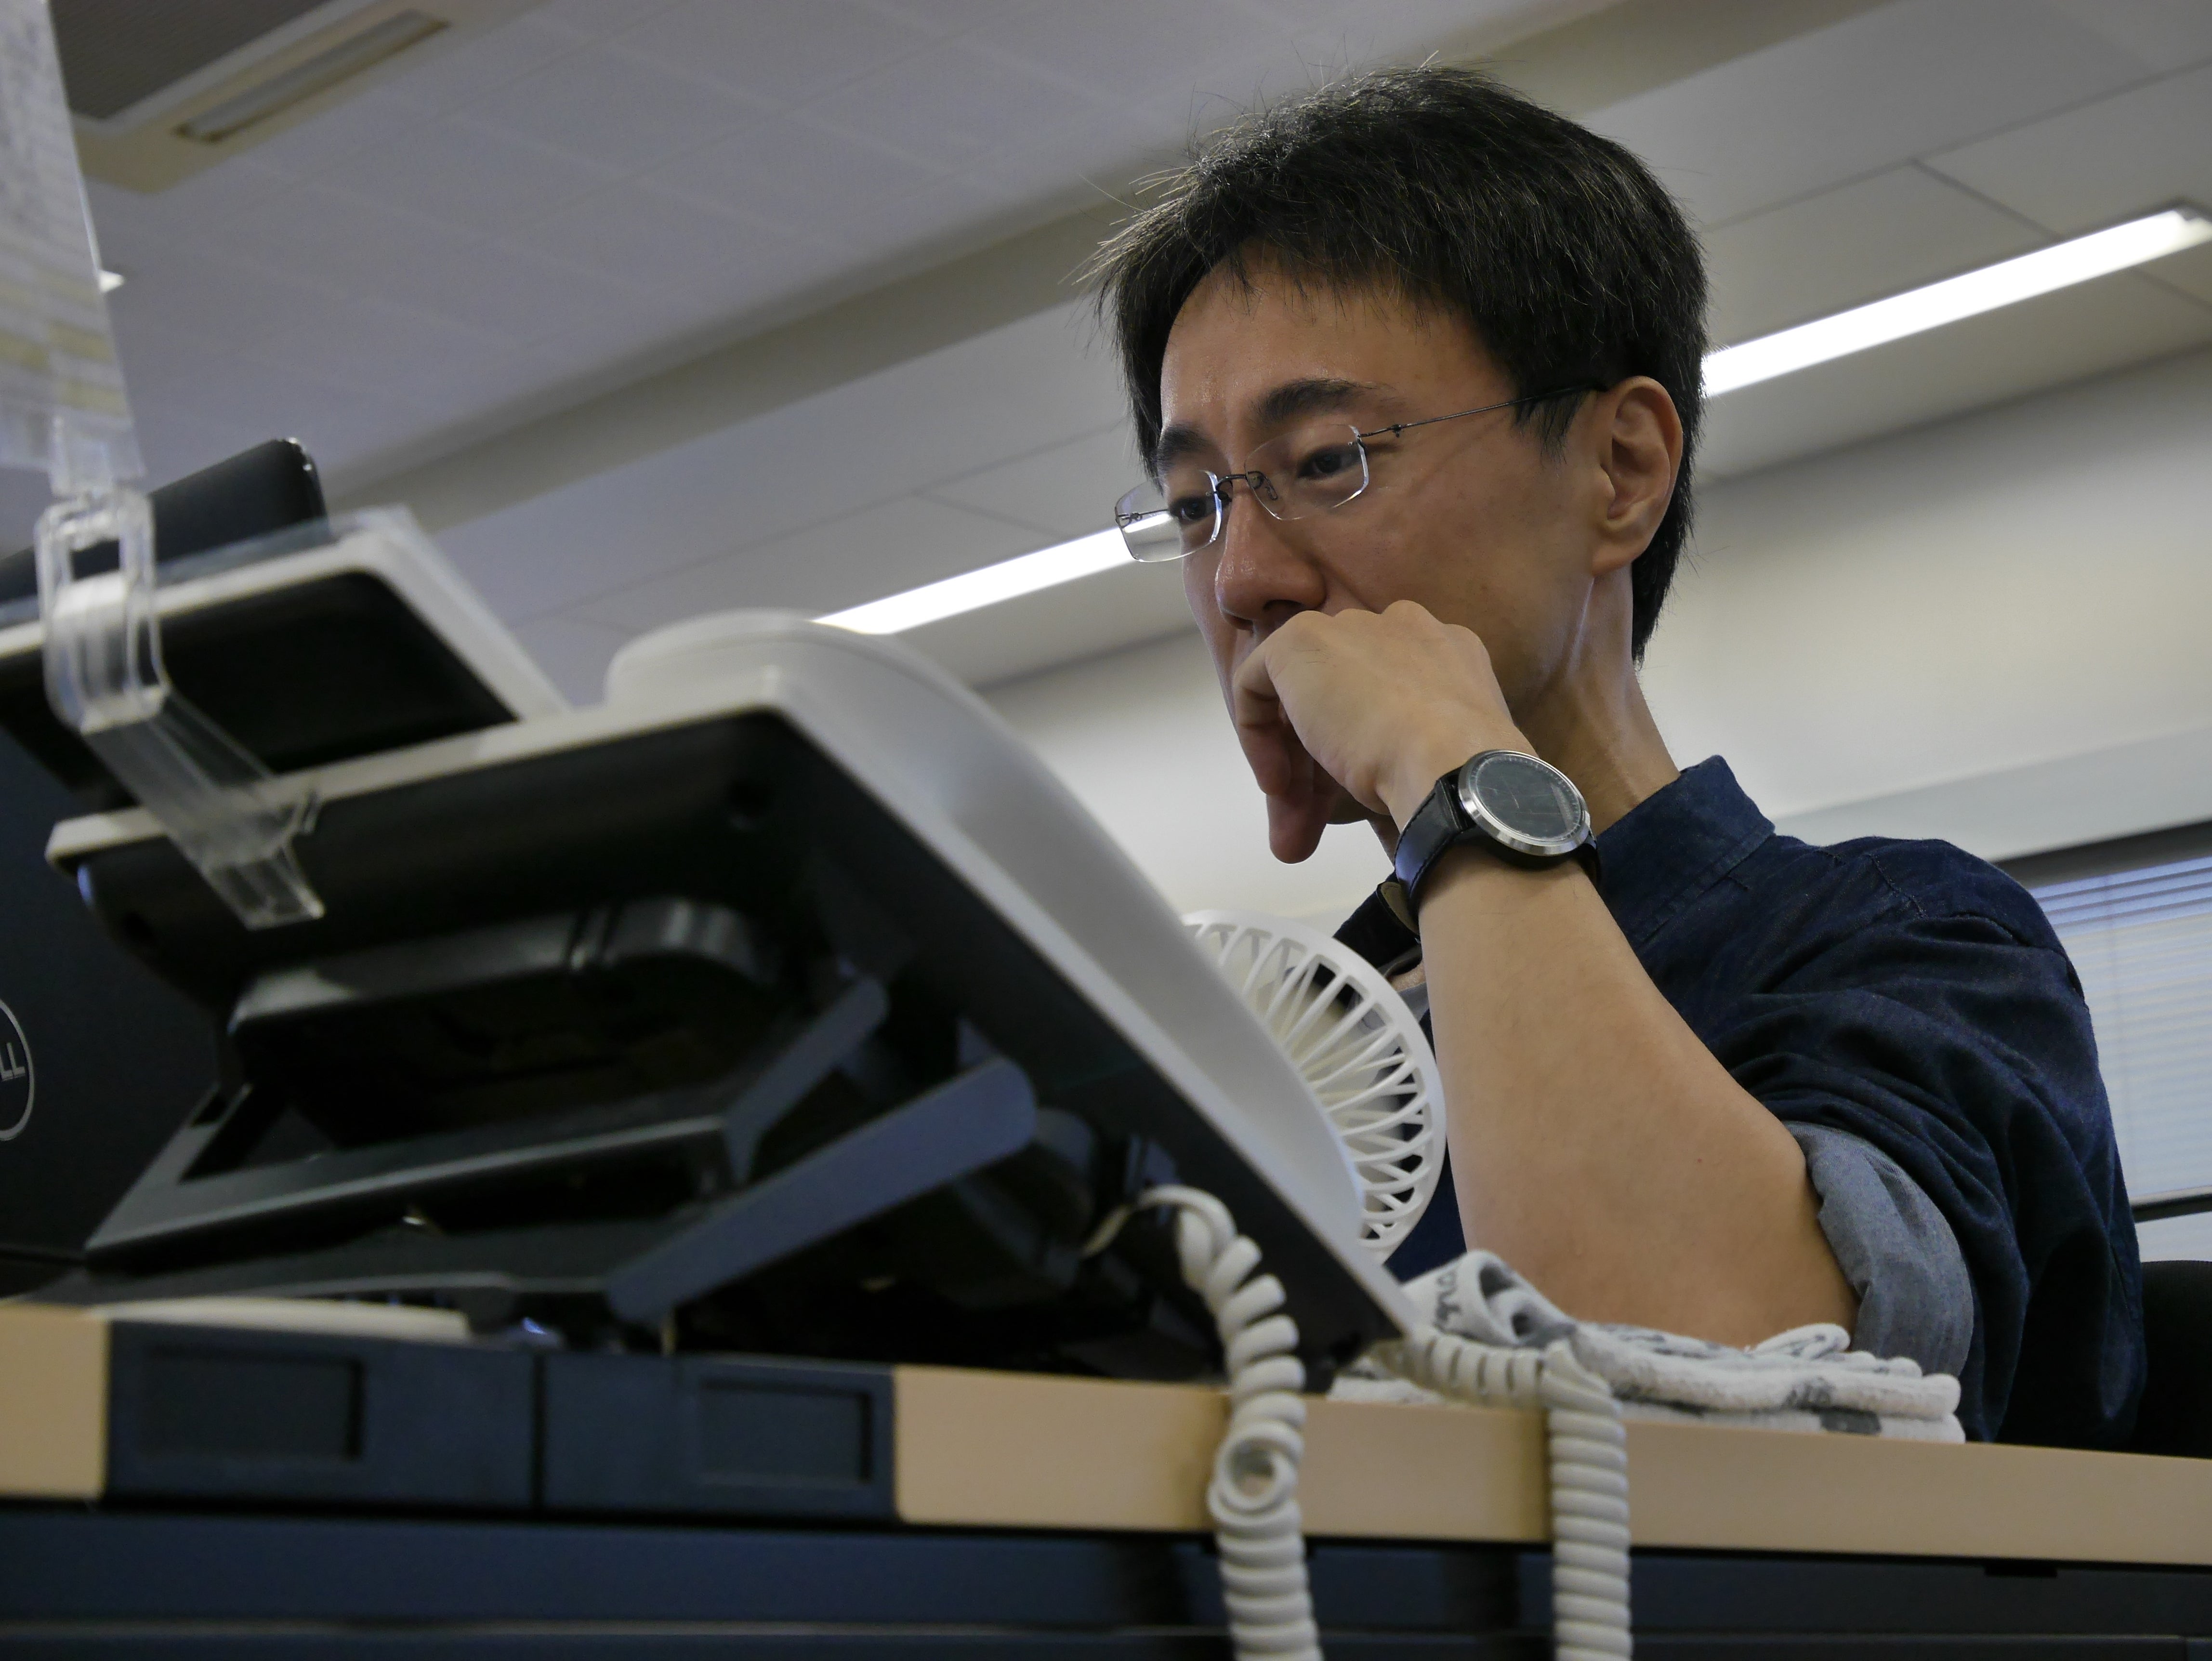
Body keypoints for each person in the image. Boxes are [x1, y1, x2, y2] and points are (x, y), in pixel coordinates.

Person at [1089, 65, 2141, 1447]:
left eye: (1330, 460)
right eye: (1195, 506)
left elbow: (1723, 1403)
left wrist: (1454, 779)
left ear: (1622, 469)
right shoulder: (1294, 1057)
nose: (1240, 579)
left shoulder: (1911, 943)